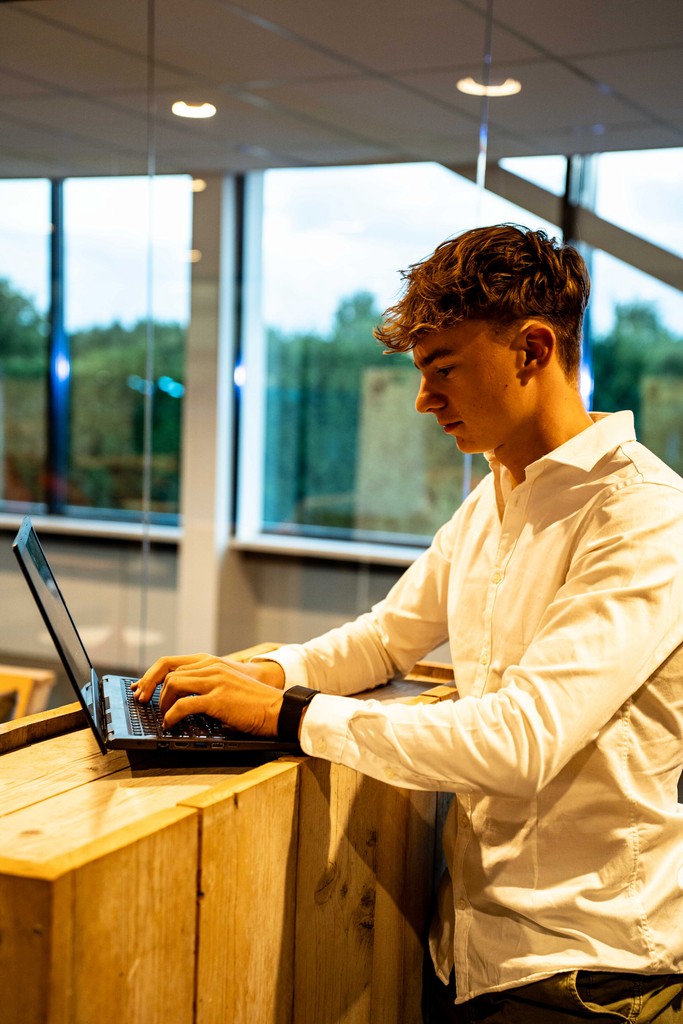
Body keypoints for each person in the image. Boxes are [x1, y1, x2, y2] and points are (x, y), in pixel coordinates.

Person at [133, 224, 683, 1022]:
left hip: (588, 977)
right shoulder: (497, 491)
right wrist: (264, 675)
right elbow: (386, 636)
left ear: (531, 350)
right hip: (471, 951)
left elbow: (520, 741)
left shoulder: (642, 516)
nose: (424, 400)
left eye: (442, 370)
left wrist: (287, 715)